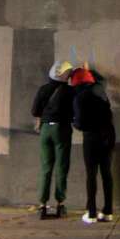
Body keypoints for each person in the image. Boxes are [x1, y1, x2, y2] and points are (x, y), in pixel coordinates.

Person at [71, 66, 115, 224]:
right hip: (108, 135)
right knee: (106, 173)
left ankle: (91, 213)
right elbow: (102, 79)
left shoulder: (79, 98)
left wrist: (74, 122)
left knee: (91, 174)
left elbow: (80, 124)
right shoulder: (100, 89)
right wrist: (90, 70)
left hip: (91, 138)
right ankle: (108, 211)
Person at [31, 60, 74, 219]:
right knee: (61, 167)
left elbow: (35, 110)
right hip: (61, 129)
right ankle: (60, 204)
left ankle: (42, 205)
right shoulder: (70, 91)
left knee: (46, 168)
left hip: (45, 129)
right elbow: (75, 112)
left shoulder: (43, 89)